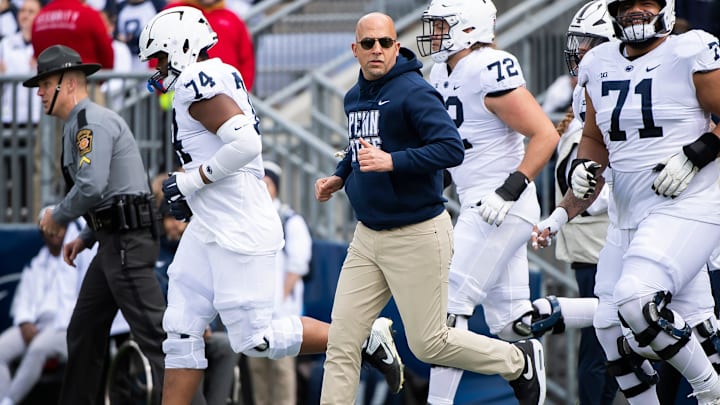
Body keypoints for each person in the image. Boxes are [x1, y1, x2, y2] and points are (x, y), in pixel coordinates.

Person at [137, 7, 403, 404]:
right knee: (180, 328)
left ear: (182, 48)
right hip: (211, 221)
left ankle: (363, 338)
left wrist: (191, 181)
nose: (156, 68)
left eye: (159, 57)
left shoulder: (196, 79)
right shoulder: (212, 75)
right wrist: (193, 191)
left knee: (255, 339)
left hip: (238, 223)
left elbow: (245, 145)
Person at [316, 11, 546, 405]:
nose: (376, 50)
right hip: (367, 235)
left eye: (384, 43)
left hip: (416, 231)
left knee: (429, 344)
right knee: (341, 343)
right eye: (368, 44)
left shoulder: (414, 90)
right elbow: (361, 145)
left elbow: (449, 148)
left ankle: (516, 359)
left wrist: (392, 161)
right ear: (354, 50)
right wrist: (341, 174)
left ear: (396, 46)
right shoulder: (353, 95)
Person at [538, 0, 720, 402]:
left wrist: (703, 148)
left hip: (687, 205)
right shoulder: (599, 61)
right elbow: (594, 140)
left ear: (666, 8)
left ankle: (711, 392)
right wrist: (579, 180)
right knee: (608, 329)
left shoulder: (690, 50)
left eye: (646, 3)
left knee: (637, 301)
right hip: (629, 214)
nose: (635, 11)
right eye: (626, 5)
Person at [415, 1, 559, 404]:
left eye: (442, 25)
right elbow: (460, 146)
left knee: (448, 305)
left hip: (500, 204)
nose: (435, 33)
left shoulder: (487, 66)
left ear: (467, 27)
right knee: (513, 323)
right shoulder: (440, 71)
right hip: (477, 200)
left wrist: (510, 188)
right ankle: (616, 313)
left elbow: (545, 133)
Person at [24, 44, 166, 404]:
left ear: (69, 83)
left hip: (126, 243)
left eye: (44, 83)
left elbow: (92, 184)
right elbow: (114, 190)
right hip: (112, 241)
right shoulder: (80, 124)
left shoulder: (90, 123)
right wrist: (87, 236)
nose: (39, 92)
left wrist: (57, 216)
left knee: (156, 338)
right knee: (84, 330)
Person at [526, 3, 620, 404]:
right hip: (599, 245)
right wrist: (562, 212)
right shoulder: (583, 111)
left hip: (643, 234)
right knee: (605, 346)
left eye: (589, 43)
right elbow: (582, 184)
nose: (580, 51)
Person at [0, 207, 91, 405]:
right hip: (35, 324)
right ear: (42, 232)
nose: (56, 231)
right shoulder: (35, 264)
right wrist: (24, 322)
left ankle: (8, 402)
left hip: (64, 326)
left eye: (60, 227)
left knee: (38, 348)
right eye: (50, 227)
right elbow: (22, 299)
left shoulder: (78, 256)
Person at [246, 161, 313, 405]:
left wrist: (280, 299)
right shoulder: (248, 218)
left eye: (268, 182)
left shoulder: (289, 220)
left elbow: (298, 265)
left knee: (282, 371)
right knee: (257, 370)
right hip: (253, 311)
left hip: (281, 313)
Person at [164, 0, 255, 91]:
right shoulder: (174, 12)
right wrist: (164, 87)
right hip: (184, 94)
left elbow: (246, 58)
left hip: (227, 94)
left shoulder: (232, 18)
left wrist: (242, 91)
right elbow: (158, 50)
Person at [31, 0, 114, 70]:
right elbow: (107, 55)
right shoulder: (89, 14)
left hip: (49, 84)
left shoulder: (39, 18)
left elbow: (38, 55)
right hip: (84, 83)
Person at [0, 0, 41, 127]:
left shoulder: (46, 44)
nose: (25, 15)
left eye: (31, 11)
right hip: (9, 116)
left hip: (37, 116)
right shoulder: (5, 44)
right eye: (22, 11)